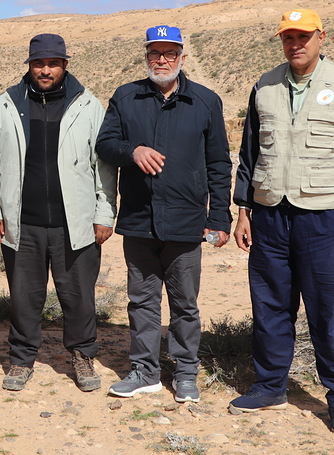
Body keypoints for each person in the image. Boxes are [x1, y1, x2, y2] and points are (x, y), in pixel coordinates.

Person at [231, 9, 334, 437]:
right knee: (271, 308)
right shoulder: (264, 86)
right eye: (287, 37)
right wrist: (244, 210)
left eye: (303, 36)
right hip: (269, 217)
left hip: (324, 220)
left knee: (330, 313)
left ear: (321, 37)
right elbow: (248, 155)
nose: (295, 43)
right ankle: (269, 386)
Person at [96, 25, 231, 403]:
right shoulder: (126, 97)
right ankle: (145, 371)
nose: (162, 60)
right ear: (146, 56)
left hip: (187, 222)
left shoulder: (205, 101)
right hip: (139, 219)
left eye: (169, 53)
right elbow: (105, 144)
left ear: (181, 57)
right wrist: (132, 151)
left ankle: (186, 373)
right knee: (141, 301)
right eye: (155, 53)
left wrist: (219, 218)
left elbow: (219, 163)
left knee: (184, 303)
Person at [0, 33, 116, 392]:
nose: (45, 70)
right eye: (38, 63)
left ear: (65, 65)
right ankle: (22, 359)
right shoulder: (6, 105)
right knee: (24, 297)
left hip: (76, 223)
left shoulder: (87, 105)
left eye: (52, 63)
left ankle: (83, 356)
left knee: (79, 297)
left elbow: (103, 166)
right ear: (29, 64)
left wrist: (104, 212)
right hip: (22, 222)